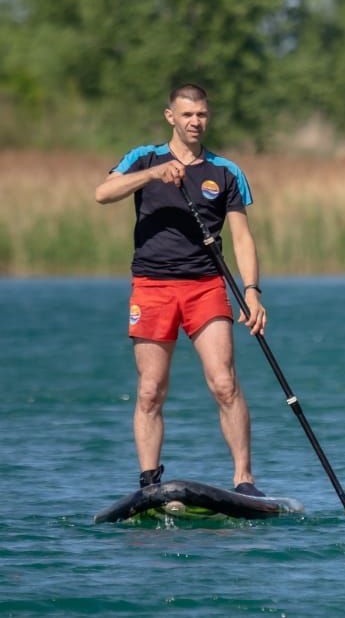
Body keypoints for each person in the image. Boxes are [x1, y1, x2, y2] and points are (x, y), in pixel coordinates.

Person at [94, 83, 268, 495]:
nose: (195, 122)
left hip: (206, 287)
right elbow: (102, 193)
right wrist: (153, 175)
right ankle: (149, 482)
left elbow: (242, 238)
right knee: (151, 389)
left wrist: (253, 291)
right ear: (170, 116)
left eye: (202, 115)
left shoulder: (225, 171)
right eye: (187, 114)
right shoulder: (144, 157)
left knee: (224, 382)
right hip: (152, 286)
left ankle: (244, 479)